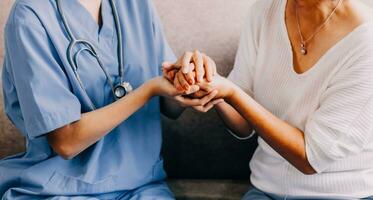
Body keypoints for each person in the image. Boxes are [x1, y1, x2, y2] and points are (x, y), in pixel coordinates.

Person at [0, 0, 219, 199]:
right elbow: (66, 142)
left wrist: (189, 80)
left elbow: (169, 104)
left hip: (141, 187)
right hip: (61, 189)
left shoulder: (136, 5)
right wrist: (147, 90)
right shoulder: (30, 15)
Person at [166, 0, 373, 199]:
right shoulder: (263, 12)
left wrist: (231, 92)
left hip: (341, 194)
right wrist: (211, 86)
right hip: (265, 191)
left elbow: (310, 158)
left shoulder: (365, 41)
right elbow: (243, 124)